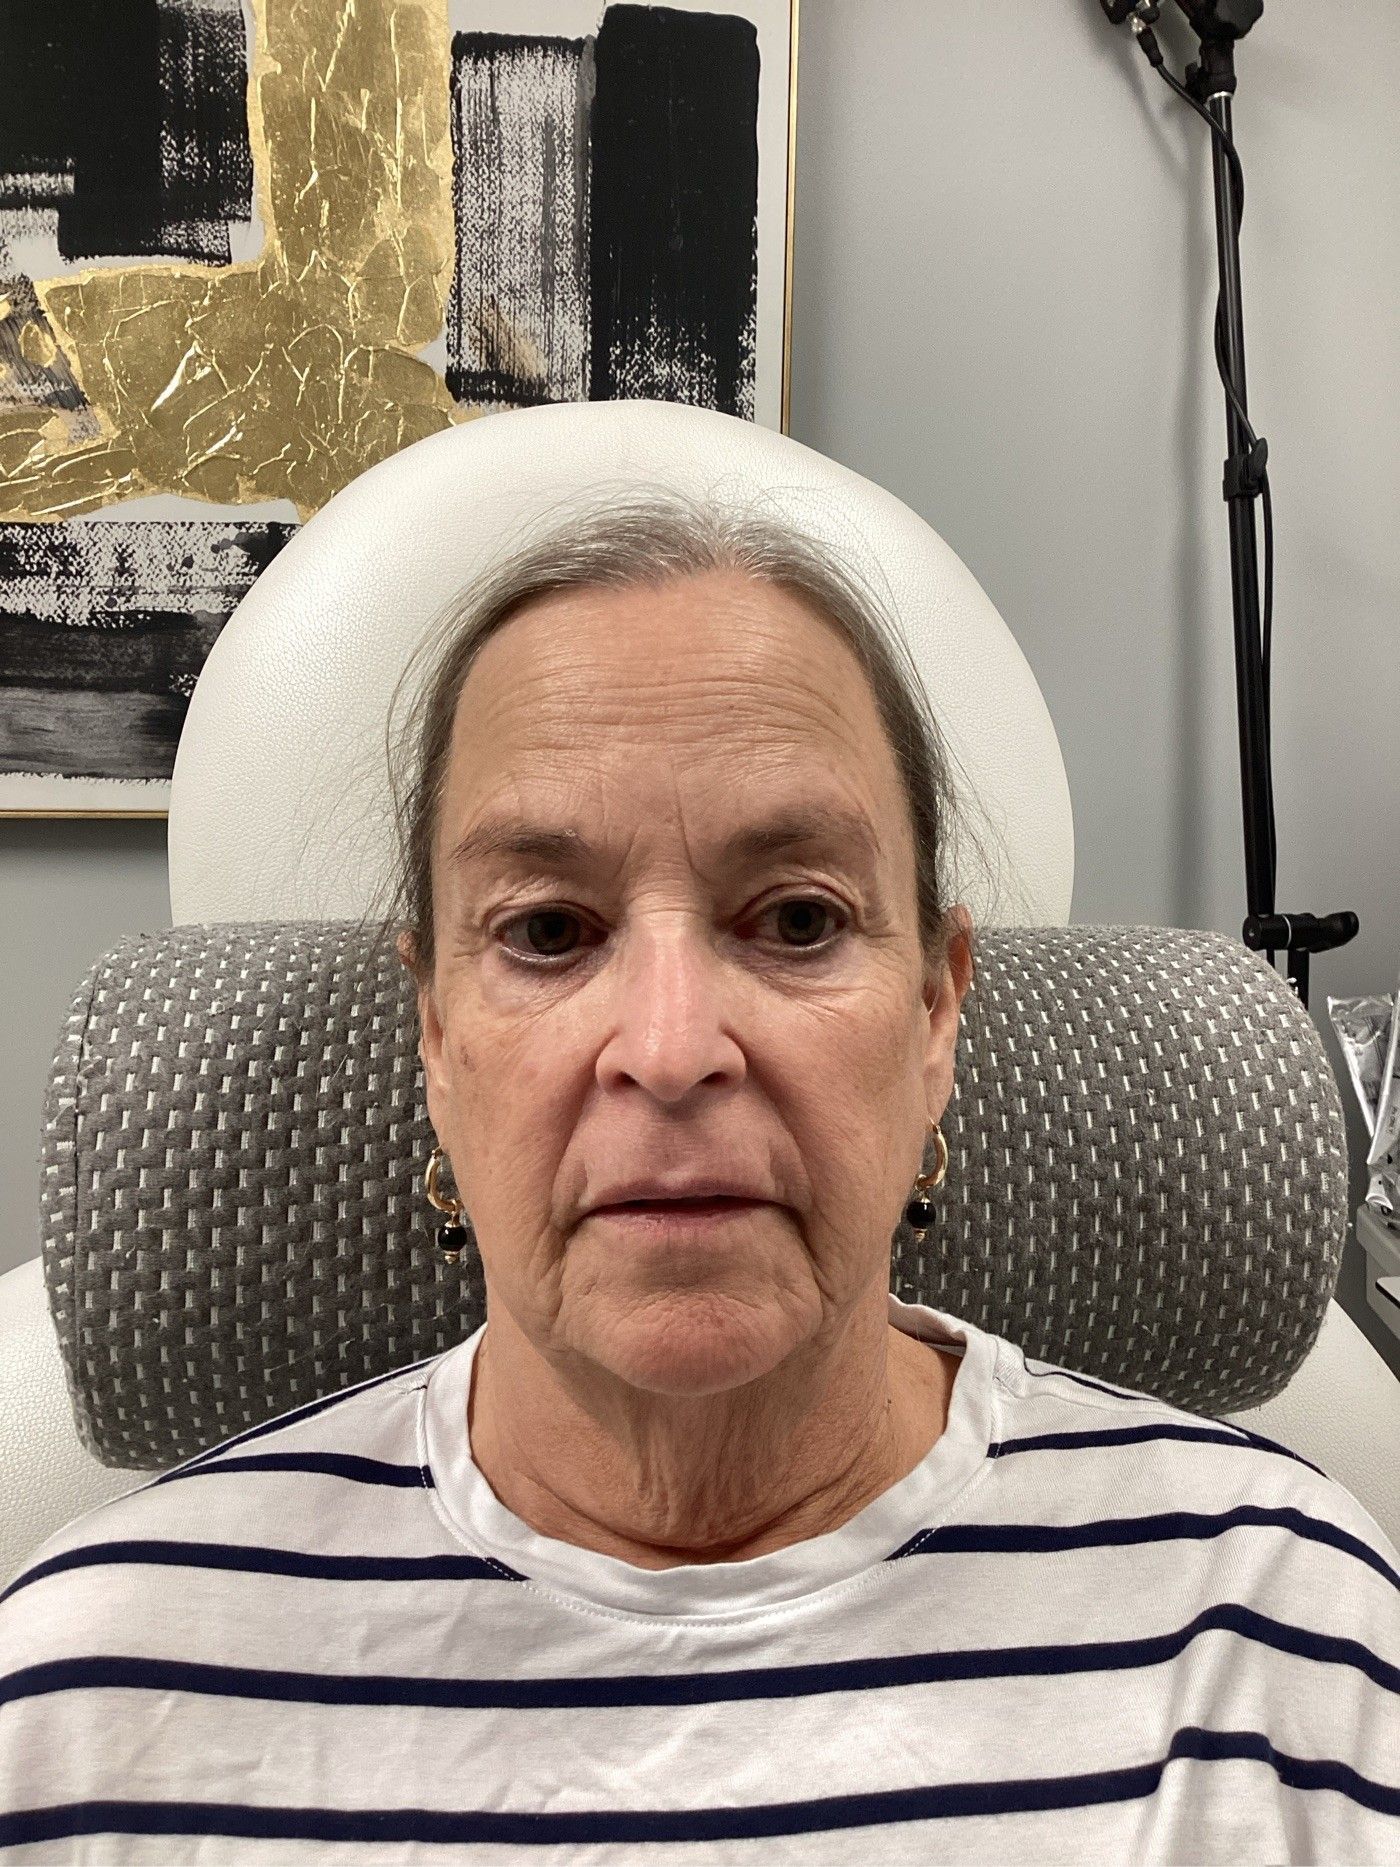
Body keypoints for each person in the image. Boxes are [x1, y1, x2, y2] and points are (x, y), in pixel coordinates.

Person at [1, 494, 1396, 1865]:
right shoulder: (88, 1699)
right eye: (548, 930)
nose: (670, 1053)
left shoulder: (1286, 1637)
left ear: (933, 1017)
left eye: (798, 919)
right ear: (433, 1031)